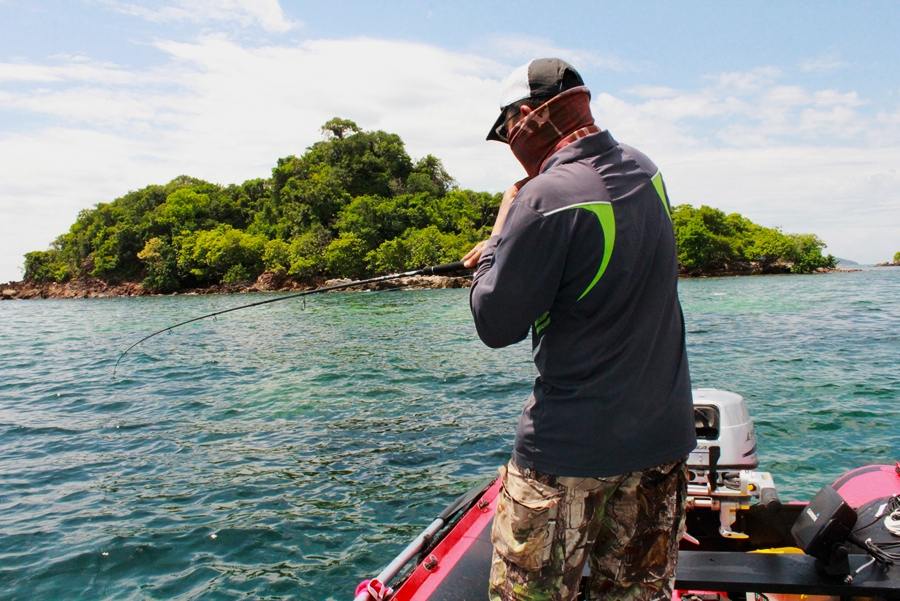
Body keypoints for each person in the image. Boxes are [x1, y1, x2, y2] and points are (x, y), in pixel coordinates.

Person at [463, 58, 697, 601]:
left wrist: (497, 239)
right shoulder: (646, 169)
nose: (508, 146)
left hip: (569, 453)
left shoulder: (544, 198)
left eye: (504, 134)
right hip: (660, 444)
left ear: (525, 118)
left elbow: (495, 323)